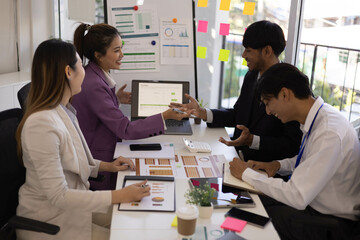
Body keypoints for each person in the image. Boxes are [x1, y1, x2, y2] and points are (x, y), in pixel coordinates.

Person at [15, 39, 151, 240]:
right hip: (50, 221)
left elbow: (70, 160)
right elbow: (58, 196)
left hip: (73, 209)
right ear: (68, 72)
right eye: (80, 65)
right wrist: (119, 195)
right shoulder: (40, 125)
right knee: (127, 232)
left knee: (138, 221)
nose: (85, 71)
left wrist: (107, 166)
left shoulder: (62, 109)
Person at [229, 63, 360, 239]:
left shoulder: (329, 131)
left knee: (248, 216)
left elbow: (297, 195)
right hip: (313, 205)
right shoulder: (320, 117)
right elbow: (309, 160)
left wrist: (246, 173)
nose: (268, 112)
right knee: (246, 201)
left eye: (268, 103)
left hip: (330, 223)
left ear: (285, 94)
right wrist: (276, 165)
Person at [72, 23, 192, 190]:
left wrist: (115, 99)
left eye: (121, 48)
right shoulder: (94, 84)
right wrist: (165, 116)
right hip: (100, 162)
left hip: (107, 149)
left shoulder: (95, 74)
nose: (122, 54)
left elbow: (97, 111)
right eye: (116, 51)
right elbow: (125, 130)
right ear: (98, 55)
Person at [171, 20, 302, 162]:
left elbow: (291, 145)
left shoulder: (291, 87)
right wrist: (203, 113)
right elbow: (238, 115)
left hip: (263, 170)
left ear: (267, 51)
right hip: (235, 157)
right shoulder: (251, 76)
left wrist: (252, 140)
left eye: (249, 50)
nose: (243, 55)